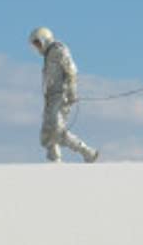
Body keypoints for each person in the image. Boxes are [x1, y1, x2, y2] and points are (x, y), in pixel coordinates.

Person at [29, 27, 99, 163]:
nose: (37, 48)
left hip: (61, 96)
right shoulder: (48, 54)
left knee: (57, 131)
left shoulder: (58, 49)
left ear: (44, 39)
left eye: (37, 43)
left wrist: (72, 92)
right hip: (51, 98)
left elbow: (71, 70)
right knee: (46, 135)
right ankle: (54, 161)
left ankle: (87, 152)